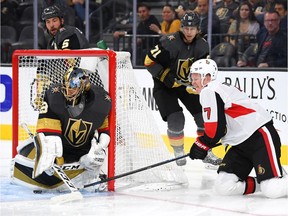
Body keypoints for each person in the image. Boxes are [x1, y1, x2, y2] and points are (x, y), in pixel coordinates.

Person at [188, 58, 287, 198]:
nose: (193, 82)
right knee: (224, 187)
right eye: (192, 78)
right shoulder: (216, 89)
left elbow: (214, 130)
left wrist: (201, 145)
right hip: (239, 145)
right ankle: (267, 180)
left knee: (272, 191)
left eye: (196, 78)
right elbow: (221, 128)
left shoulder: (210, 90)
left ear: (207, 77)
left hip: (259, 137)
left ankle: (272, 180)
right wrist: (202, 145)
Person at [11, 67, 112, 191]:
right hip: (63, 148)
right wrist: (51, 150)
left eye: (73, 87)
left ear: (84, 88)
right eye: (66, 87)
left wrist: (99, 148)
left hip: (82, 153)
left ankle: (92, 176)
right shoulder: (55, 97)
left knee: (91, 161)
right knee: (45, 147)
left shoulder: (101, 101)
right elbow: (49, 130)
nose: (68, 91)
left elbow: (104, 130)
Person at [144, 11, 222, 168]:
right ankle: (178, 151)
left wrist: (198, 84)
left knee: (203, 116)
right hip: (164, 86)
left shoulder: (202, 45)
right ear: (181, 28)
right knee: (176, 119)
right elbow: (148, 61)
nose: (189, 32)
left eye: (192, 28)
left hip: (186, 85)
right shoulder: (169, 42)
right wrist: (166, 78)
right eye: (186, 28)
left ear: (197, 29)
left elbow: (202, 67)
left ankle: (206, 151)